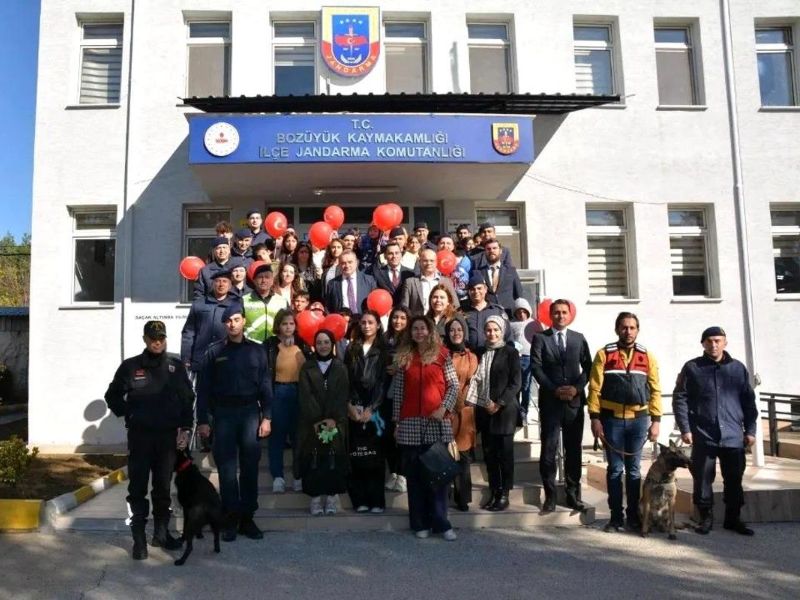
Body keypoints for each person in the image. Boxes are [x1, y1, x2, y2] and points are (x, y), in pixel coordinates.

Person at [105, 320, 194, 560]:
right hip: (140, 438)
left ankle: (161, 534)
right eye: (153, 338)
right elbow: (111, 396)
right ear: (145, 339)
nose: (158, 342)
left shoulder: (175, 367)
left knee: (163, 488)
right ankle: (138, 539)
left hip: (167, 439)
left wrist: (186, 429)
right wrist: (130, 413)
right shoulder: (131, 367)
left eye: (161, 338)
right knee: (137, 488)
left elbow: (188, 399)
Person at [196, 304, 272, 542]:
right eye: (228, 320)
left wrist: (267, 417)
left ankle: (247, 519)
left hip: (250, 414)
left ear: (244, 322)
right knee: (227, 471)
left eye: (236, 319)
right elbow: (204, 389)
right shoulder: (214, 352)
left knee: (249, 469)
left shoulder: (257, 351)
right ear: (224, 324)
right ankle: (230, 519)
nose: (232, 324)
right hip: (224, 415)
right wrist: (203, 421)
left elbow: (266, 386)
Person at [673, 326, 758, 536]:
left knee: (734, 479)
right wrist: (685, 428)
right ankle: (705, 518)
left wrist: (751, 430)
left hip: (733, 435)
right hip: (704, 434)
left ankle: (733, 519)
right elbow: (680, 398)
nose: (714, 345)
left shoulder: (738, 369)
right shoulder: (692, 368)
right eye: (709, 341)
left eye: (718, 341)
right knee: (702, 479)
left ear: (725, 343)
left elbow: (749, 402)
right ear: (703, 343)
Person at [588, 312, 661, 533]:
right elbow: (594, 388)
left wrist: (656, 421)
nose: (627, 331)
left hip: (639, 421)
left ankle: (633, 517)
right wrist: (595, 418)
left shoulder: (647, 356)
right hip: (611, 421)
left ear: (637, 330)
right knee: (615, 471)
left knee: (635, 471)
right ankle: (616, 518)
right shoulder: (604, 354)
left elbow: (656, 389)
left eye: (632, 327)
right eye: (624, 327)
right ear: (616, 329)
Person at [393, 315, 459, 541]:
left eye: (423, 328)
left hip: (436, 422)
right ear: (410, 332)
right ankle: (419, 523)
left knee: (438, 477)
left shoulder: (443, 355)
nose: (419, 332)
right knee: (415, 478)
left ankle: (441, 523)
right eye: (415, 329)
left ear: (430, 331)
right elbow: (398, 393)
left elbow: (453, 386)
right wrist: (397, 422)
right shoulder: (405, 358)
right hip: (410, 423)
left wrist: (444, 408)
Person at [531, 299, 593, 513]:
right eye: (556, 312)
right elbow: (536, 367)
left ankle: (573, 495)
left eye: (564, 312)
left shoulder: (578, 338)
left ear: (569, 315)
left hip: (573, 402)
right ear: (551, 315)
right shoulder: (540, 338)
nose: (560, 316)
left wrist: (577, 388)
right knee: (548, 450)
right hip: (551, 401)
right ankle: (550, 495)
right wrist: (553, 389)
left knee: (573, 450)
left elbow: (588, 367)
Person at [470, 316, 521, 512]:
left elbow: (515, 383)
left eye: (496, 330)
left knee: (505, 455)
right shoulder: (480, 352)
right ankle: (494, 490)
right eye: (488, 330)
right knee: (490, 455)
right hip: (485, 411)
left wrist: (499, 403)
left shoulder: (510, 352)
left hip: (504, 411)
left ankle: (504, 493)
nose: (492, 333)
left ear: (502, 331)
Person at [297, 329, 350, 516]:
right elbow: (305, 395)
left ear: (332, 344)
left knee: (332, 460)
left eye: (326, 342)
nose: (323, 346)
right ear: (314, 345)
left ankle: (331, 497)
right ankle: (315, 499)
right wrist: (318, 420)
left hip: (334, 424)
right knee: (315, 461)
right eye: (319, 342)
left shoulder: (340, 367)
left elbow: (342, 395)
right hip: (312, 424)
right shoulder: (307, 367)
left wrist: (333, 420)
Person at [345, 311, 389, 513]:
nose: (366, 325)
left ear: (378, 325)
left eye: (371, 322)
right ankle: (360, 500)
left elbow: (383, 382)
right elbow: (347, 379)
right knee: (357, 454)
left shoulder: (384, 350)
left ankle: (377, 501)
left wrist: (373, 407)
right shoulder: (352, 348)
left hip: (375, 410)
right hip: (355, 408)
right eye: (363, 322)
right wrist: (350, 405)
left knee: (376, 456)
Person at [264, 309, 309, 494]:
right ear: (278, 326)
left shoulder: (303, 344)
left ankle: (298, 477)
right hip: (279, 392)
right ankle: (278, 477)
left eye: (291, 323)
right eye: (284, 323)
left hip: (300, 392)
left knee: (299, 437)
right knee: (277, 437)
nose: (288, 327)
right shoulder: (270, 345)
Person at [444, 316, 478, 512]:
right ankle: (444, 495)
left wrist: (461, 403)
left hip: (465, 411)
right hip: (446, 411)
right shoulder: (442, 355)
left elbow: (473, 383)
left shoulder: (471, 357)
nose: (456, 333)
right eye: (452, 330)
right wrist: (449, 404)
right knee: (445, 454)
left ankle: (462, 497)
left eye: (459, 329)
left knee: (463, 456)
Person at [181, 269, 237, 374]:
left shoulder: (236, 305)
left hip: (227, 359)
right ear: (212, 284)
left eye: (225, 281)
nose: (221, 284)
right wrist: (186, 357)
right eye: (218, 281)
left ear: (230, 286)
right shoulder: (199, 304)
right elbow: (189, 332)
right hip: (201, 359)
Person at [383, 306, 411, 493]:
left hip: (404, 395)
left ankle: (403, 474)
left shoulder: (411, 341)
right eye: (395, 317)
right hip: (386, 394)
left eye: (402, 318)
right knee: (387, 435)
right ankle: (393, 471)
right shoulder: (384, 339)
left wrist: (399, 369)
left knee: (401, 435)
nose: (398, 321)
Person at [400, 248, 457, 316]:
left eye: (431, 261)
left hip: (441, 322)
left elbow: (455, 304)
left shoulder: (446, 282)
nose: (428, 263)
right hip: (418, 322)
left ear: (436, 263)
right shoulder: (410, 282)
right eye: (425, 261)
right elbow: (404, 307)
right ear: (420, 262)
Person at [242, 264, 290, 344]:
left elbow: (288, 325)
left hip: (276, 346)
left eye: (267, 277)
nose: (263, 280)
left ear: (272, 281)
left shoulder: (282, 301)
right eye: (260, 277)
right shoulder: (244, 300)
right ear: (254, 280)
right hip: (250, 347)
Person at [462, 274, 511, 352]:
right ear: (469, 292)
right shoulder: (462, 312)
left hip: (494, 355)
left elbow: (508, 335)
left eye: (479, 288)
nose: (476, 292)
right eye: (472, 289)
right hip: (470, 357)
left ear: (485, 289)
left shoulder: (497, 311)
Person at [475, 239, 523, 315]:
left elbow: (519, 295)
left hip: (509, 314)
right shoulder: (478, 272)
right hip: (488, 314)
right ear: (485, 252)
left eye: (494, 248)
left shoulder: (511, 271)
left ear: (500, 251)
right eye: (488, 249)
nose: (491, 251)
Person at [510, 298, 535, 422]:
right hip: (515, 358)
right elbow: (509, 340)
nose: (521, 314)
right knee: (516, 385)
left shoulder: (534, 324)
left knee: (526, 386)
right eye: (518, 312)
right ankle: (514, 412)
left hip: (529, 358)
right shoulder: (511, 324)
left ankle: (524, 411)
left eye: (524, 311)